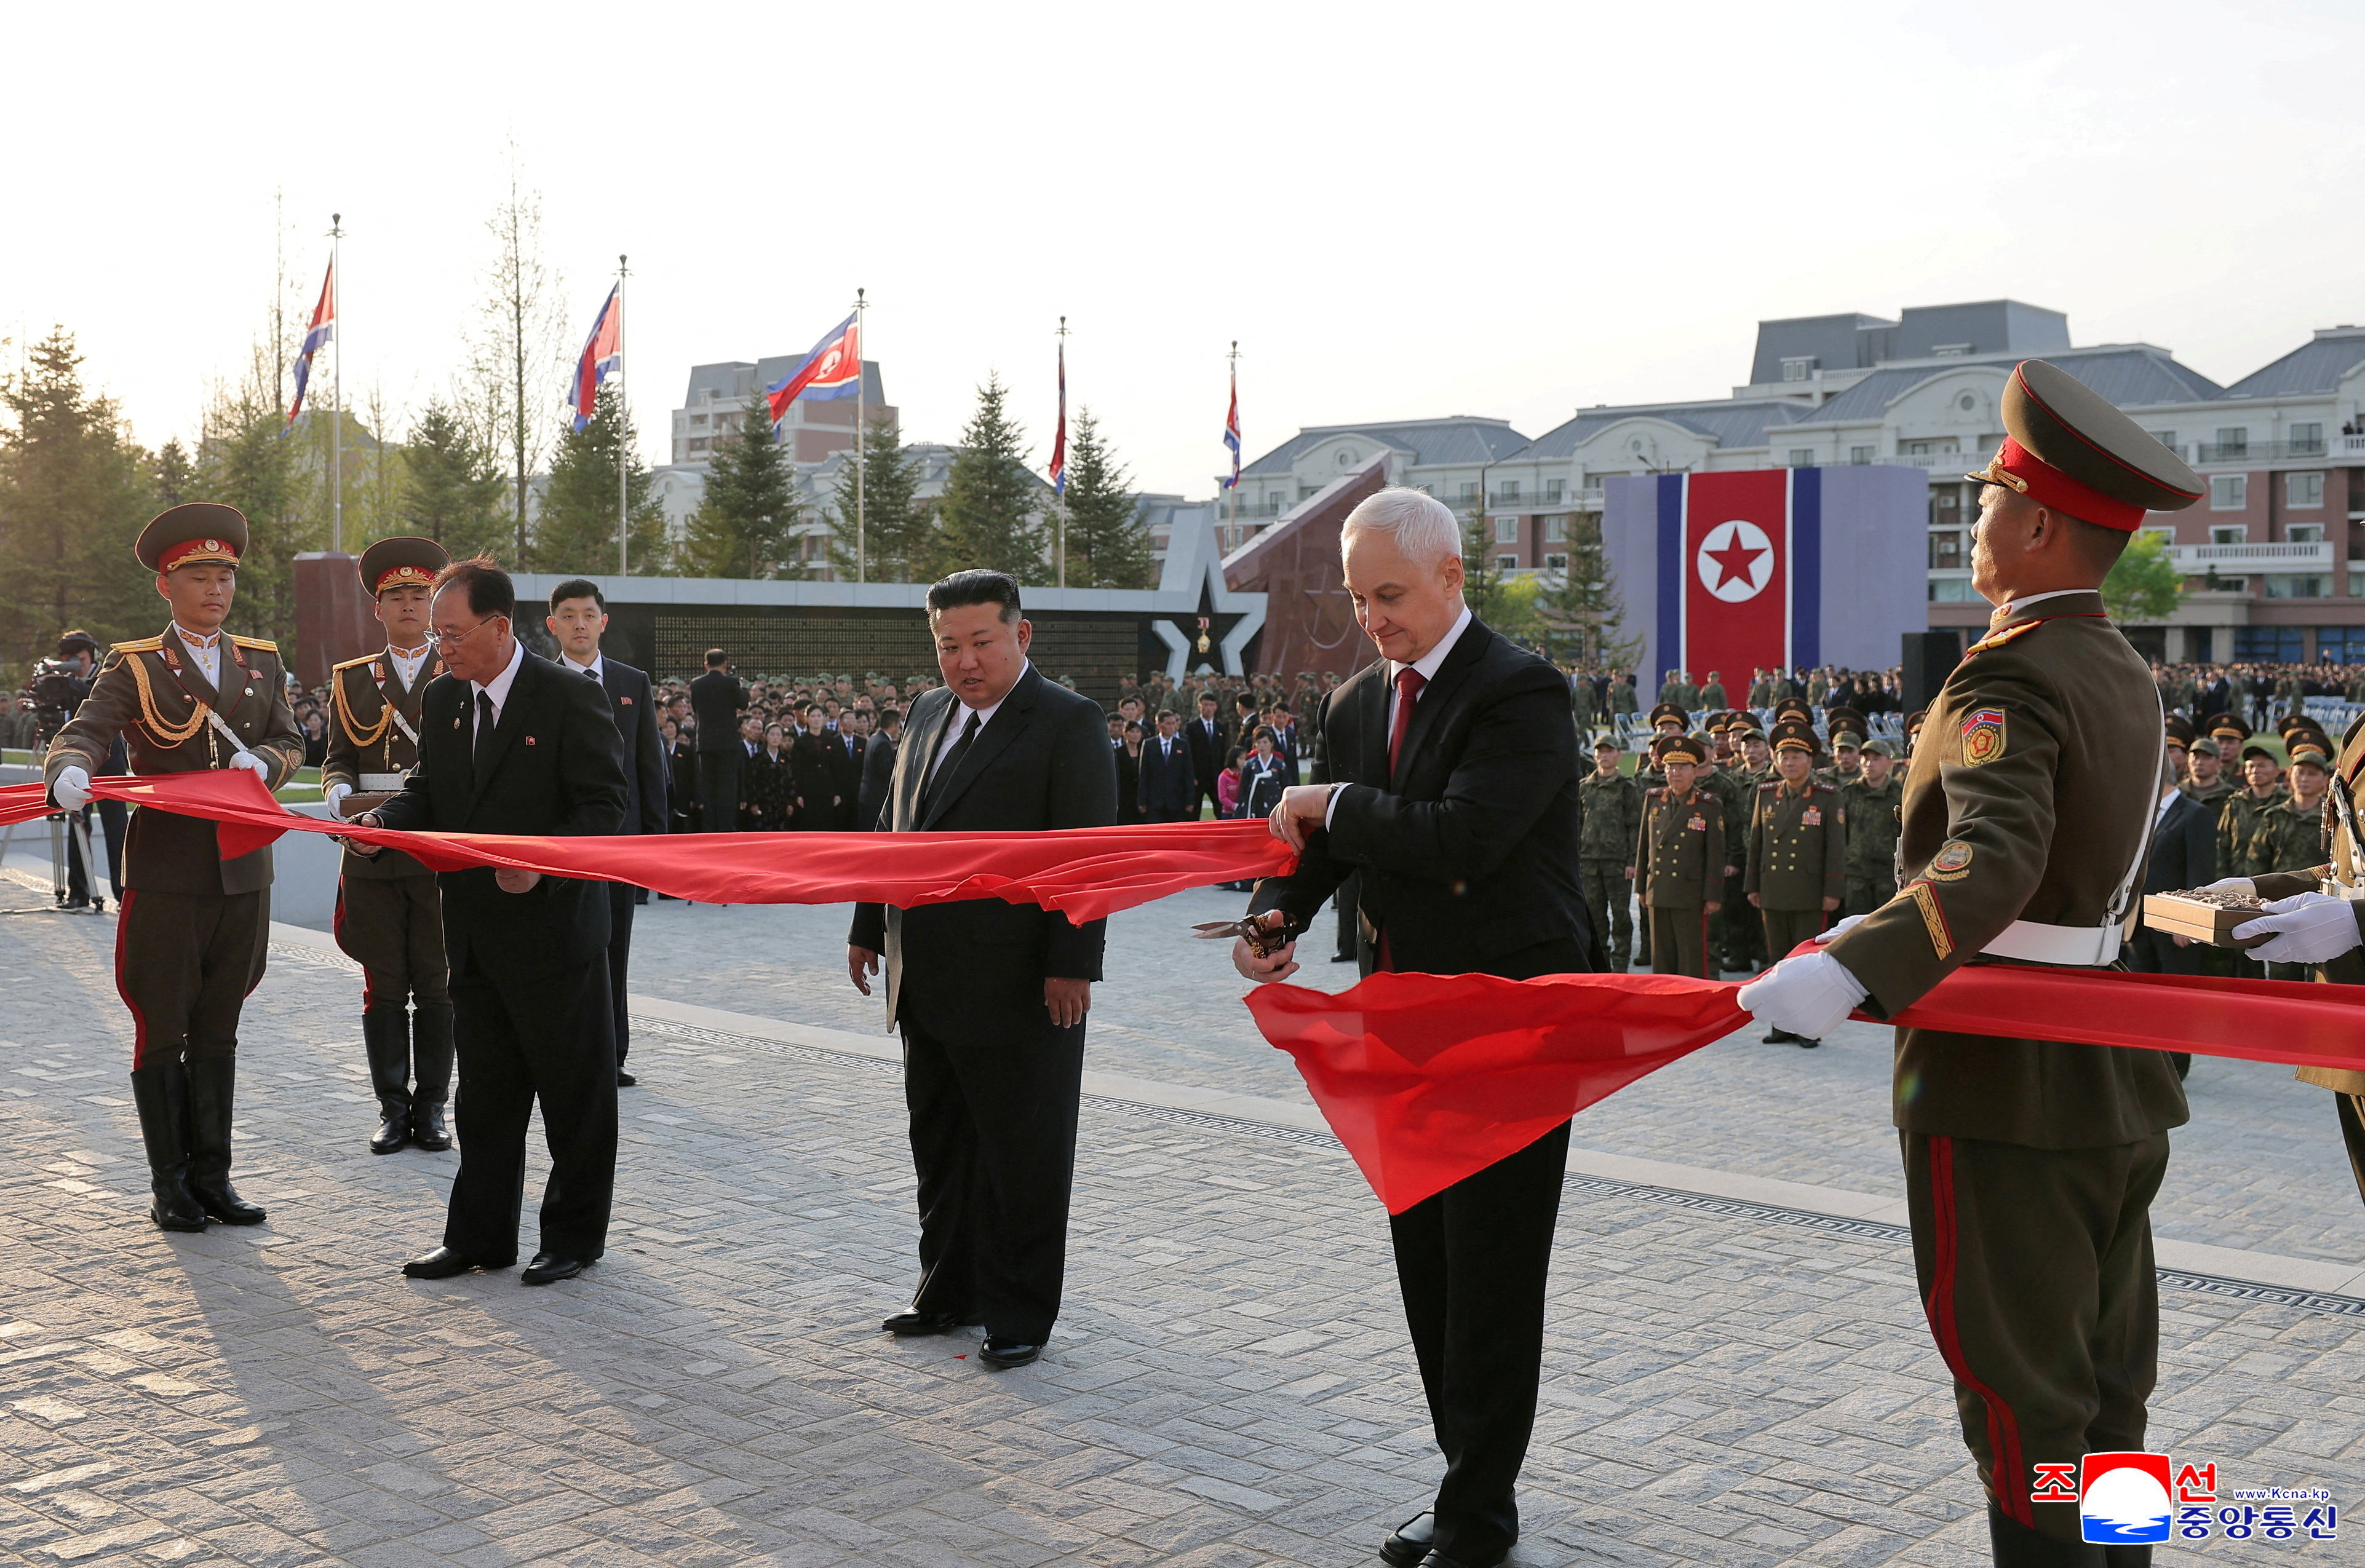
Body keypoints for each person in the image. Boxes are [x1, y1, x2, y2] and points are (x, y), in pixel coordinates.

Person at [1739, 358, 2204, 1564]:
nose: (1973, 519)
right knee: (2108, 1398)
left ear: (2039, 523)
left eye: (1988, 498)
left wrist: (1856, 962)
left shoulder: (2007, 669)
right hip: (2108, 1070)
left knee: (2018, 1404)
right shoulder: (2119, 669)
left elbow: (1994, 850)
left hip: (2004, 1083)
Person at [1230, 486, 1590, 1568]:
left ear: (1450, 579)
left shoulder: (1519, 692)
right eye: (1356, 599)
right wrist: (1271, 916)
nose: (1373, 618)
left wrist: (1329, 806)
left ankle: (1482, 1508)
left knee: (1493, 1265)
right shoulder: (1354, 702)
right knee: (1427, 1258)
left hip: (1511, 1020)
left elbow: (1465, 837)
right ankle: (1462, 1471)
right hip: (1405, 1020)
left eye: (1389, 595)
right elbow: (1319, 854)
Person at [847, 569, 1117, 1371]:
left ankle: (1020, 1310)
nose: (963, 662)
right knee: (941, 1144)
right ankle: (949, 1290)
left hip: (1019, 980)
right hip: (923, 972)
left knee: (1019, 1153)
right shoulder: (928, 712)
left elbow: (1084, 858)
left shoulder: (1067, 721)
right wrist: (868, 924)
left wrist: (1073, 965)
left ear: (1021, 636)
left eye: (980, 643)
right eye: (947, 645)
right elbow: (891, 827)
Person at [351, 557, 630, 1286]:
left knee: (574, 1097)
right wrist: (382, 822)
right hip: (473, 934)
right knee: (486, 1101)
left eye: (452, 633)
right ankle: (478, 1237)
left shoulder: (567, 696)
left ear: (499, 628)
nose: (439, 647)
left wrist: (543, 862)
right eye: (438, 635)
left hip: (555, 933)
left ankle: (572, 1239)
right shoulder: (445, 699)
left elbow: (605, 808)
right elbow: (428, 790)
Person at [45, 503, 305, 1232]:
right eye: (199, 576)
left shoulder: (262, 660)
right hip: (166, 872)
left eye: (224, 575)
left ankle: (215, 1179)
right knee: (163, 1024)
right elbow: (83, 734)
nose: (216, 589)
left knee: (221, 1025)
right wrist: (67, 771)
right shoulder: (136, 666)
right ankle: (171, 1184)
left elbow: (290, 739)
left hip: (243, 871)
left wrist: (271, 763)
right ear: (167, 585)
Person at [322, 537, 454, 1155]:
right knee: (383, 984)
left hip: (434, 845)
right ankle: (391, 1107)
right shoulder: (351, 680)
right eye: (396, 596)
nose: (409, 606)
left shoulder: (458, 674)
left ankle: (432, 1108)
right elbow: (338, 758)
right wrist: (337, 794)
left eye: (419, 595)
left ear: (435, 603)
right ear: (378, 608)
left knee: (436, 983)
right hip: (371, 844)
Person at [546, 580, 667, 1086]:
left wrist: (654, 846)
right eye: (569, 615)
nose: (580, 623)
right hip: (563, 845)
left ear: (603, 621)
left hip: (620, 845)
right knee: (566, 950)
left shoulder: (631, 681)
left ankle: (612, 1052)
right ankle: (565, 1048)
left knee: (614, 949)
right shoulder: (537, 683)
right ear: (552, 625)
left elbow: (648, 764)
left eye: (588, 614)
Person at [1745, 719, 1845, 1045]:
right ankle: (1780, 1025)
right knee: (1778, 962)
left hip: (1809, 892)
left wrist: (1833, 891)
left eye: (1796, 757)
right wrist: (1753, 886)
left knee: (1807, 967)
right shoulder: (1766, 794)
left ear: (1810, 761)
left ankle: (1807, 1028)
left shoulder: (1828, 797)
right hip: (1773, 890)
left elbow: (1835, 848)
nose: (1789, 763)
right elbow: (1756, 842)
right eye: (1784, 757)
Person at [1634, 734, 1723, 978]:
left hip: (1690, 893)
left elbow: (1715, 854)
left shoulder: (1707, 805)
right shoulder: (1654, 800)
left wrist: (1712, 894)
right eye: (1671, 767)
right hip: (1659, 890)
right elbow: (1645, 847)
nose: (1675, 773)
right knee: (1661, 958)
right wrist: (1642, 886)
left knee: (1690, 958)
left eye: (1682, 767)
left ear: (1695, 771)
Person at [1579, 736, 1643, 971]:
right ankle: (1602, 966)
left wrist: (1631, 861)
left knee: (1621, 916)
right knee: (1594, 917)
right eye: (1600, 751)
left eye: (1609, 751)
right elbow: (1577, 824)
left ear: (1619, 755)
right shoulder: (1585, 786)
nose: (1604, 756)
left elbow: (1635, 826)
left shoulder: (1627, 787)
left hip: (1617, 863)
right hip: (1589, 861)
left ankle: (1621, 963)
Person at [1837, 739, 1903, 919]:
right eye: (1865, 758)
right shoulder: (1849, 792)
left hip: (1888, 874)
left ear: (1889, 762)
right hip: (1856, 874)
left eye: (1876, 758)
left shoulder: (1900, 792)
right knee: (1854, 927)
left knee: (1887, 925)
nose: (1869, 763)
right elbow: (1840, 833)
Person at [690, 648, 746, 832]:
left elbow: (695, 707)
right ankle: (726, 828)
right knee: (727, 790)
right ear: (725, 664)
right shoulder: (731, 682)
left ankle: (709, 828)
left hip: (705, 743)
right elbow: (744, 703)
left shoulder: (696, 684)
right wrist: (740, 686)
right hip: (728, 744)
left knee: (709, 789)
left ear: (706, 665)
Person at [1137, 708, 1194, 823]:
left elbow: (1188, 773)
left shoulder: (1182, 745)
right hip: (1154, 801)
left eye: (1174, 723)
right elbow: (1144, 774)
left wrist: (1190, 800)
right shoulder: (1149, 745)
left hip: (1176, 800)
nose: (1172, 727)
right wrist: (1142, 801)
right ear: (1159, 725)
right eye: (1168, 724)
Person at [1183, 692, 1227, 819]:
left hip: (1216, 777)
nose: (1208, 708)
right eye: (1205, 705)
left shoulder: (1221, 727)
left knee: (1220, 811)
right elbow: (1189, 755)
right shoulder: (1191, 727)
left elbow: (1223, 752)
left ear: (1216, 707)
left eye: (1211, 705)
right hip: (1198, 777)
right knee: (1194, 811)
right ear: (1199, 707)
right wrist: (1192, 776)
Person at [859, 705, 902, 830]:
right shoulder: (883, 743)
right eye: (898, 726)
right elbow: (886, 771)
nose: (899, 730)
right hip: (876, 798)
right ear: (894, 725)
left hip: (867, 795)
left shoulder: (874, 738)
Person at [1236, 725, 1289, 818]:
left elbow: (1285, 786)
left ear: (1272, 744)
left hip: (1275, 805)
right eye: (1259, 742)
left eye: (1265, 742)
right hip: (1255, 807)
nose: (1262, 746)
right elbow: (1243, 789)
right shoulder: (1250, 765)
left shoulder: (1280, 765)